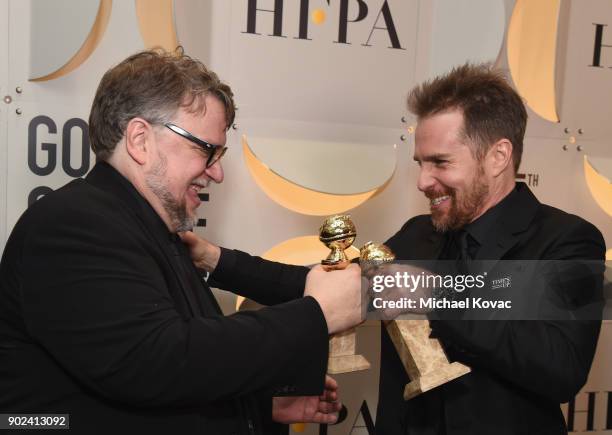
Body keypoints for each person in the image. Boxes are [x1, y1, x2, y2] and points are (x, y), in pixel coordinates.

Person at [0, 49, 365, 435]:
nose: (217, 173)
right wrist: (316, 314)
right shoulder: (73, 224)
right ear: (140, 139)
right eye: (206, 150)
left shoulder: (150, 230)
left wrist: (257, 405)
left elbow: (172, 375)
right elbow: (156, 363)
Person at [375, 64, 606, 434]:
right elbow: (333, 287)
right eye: (420, 163)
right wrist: (243, 266)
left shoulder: (567, 240)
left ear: (498, 157)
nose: (422, 181)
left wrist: (438, 298)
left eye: (440, 162)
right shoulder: (418, 234)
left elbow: (562, 368)